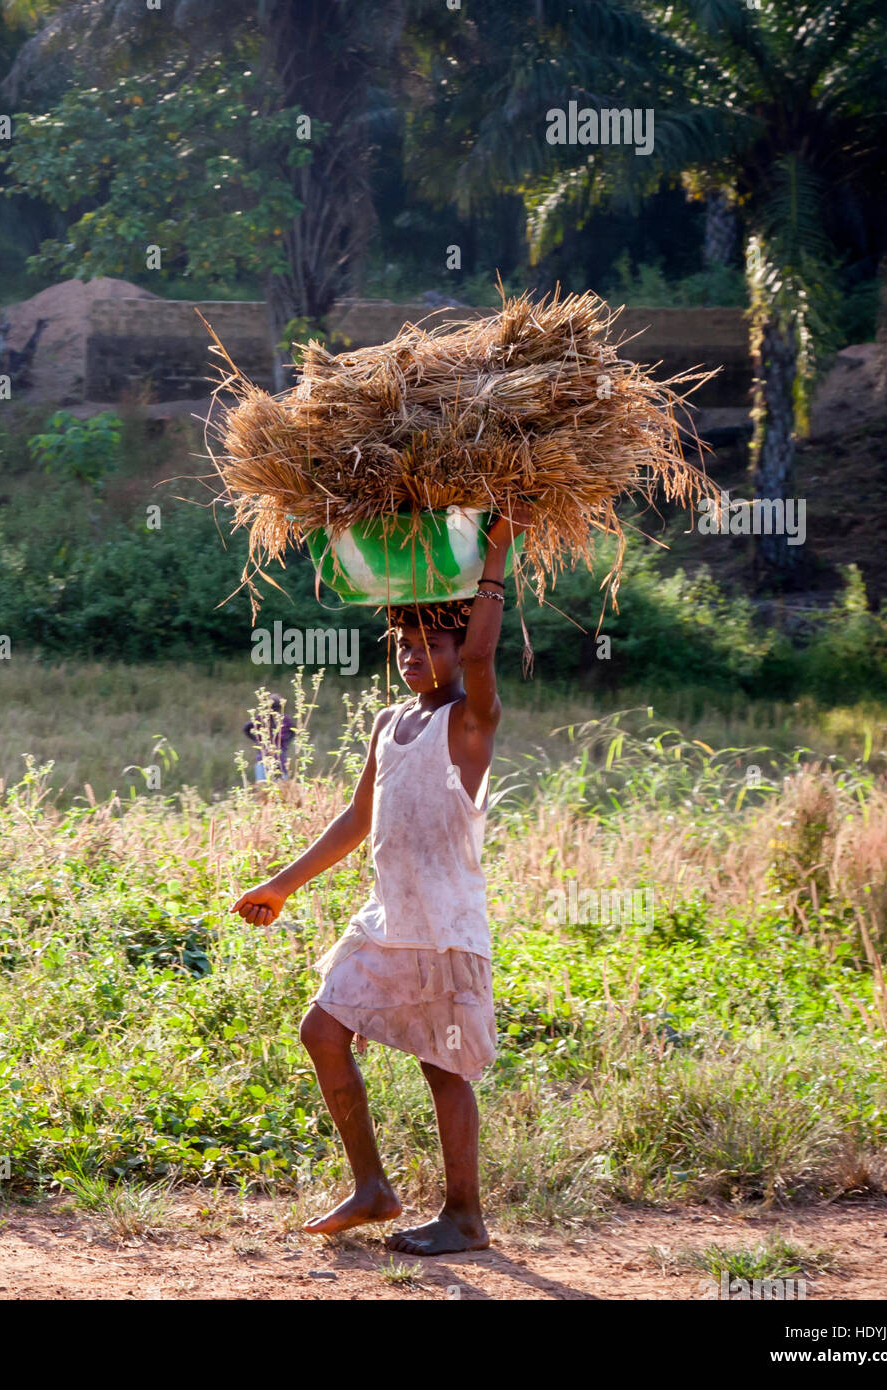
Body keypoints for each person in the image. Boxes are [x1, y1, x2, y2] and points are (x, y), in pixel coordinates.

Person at [230, 506, 532, 1256]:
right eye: (404, 641)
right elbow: (356, 821)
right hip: (385, 917)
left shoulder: (469, 723)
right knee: (322, 1030)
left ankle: (465, 1215)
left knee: (444, 1066)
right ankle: (373, 1188)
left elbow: (489, 666)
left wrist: (495, 557)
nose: (413, 653)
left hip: (443, 924)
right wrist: (281, 884)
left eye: (433, 642)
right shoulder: (392, 722)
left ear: (464, 652)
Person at [243, 694, 294, 782]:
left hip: (263, 758)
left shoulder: (261, 718)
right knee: (282, 788)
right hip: (280, 758)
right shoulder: (285, 719)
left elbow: (246, 728)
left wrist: (256, 740)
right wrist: (286, 742)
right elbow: (294, 730)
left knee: (263, 787)